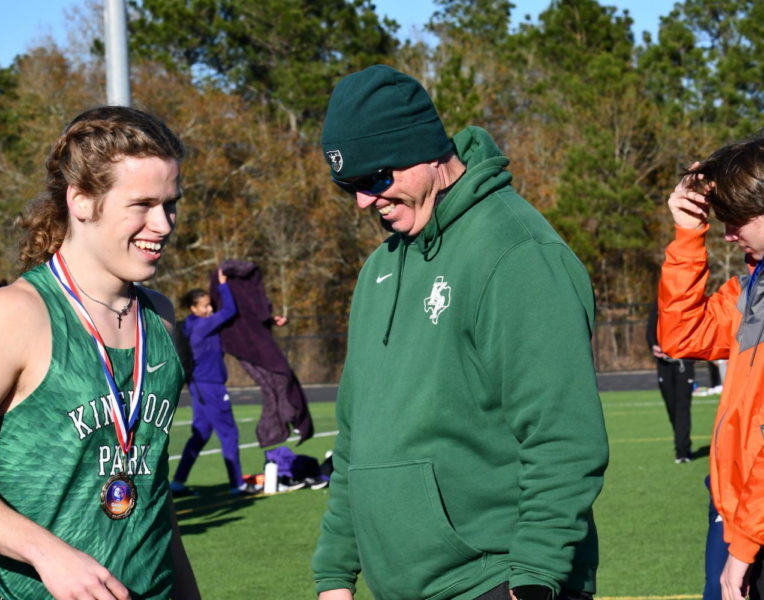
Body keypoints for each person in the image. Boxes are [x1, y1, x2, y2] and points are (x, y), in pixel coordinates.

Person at [312, 64, 609, 600]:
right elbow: (358, 438)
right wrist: (335, 573)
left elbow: (563, 436)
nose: (363, 201)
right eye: (348, 186)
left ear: (426, 151)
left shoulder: (516, 252)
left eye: (375, 178)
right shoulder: (379, 269)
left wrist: (536, 577)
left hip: (498, 580)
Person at [0, 105, 200, 600]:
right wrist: (48, 553)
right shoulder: (15, 314)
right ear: (81, 200)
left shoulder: (160, 317)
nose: (164, 224)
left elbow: (152, 487)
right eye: (142, 204)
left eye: (171, 204)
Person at [657, 136, 764, 600]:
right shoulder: (750, 291)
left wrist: (745, 543)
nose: (727, 233)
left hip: (752, 530)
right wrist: (686, 234)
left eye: (734, 220)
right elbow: (682, 335)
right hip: (733, 516)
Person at [170, 269, 260, 496]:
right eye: (204, 306)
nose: (210, 310)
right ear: (193, 309)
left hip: (199, 386)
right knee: (229, 433)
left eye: (210, 305)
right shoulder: (202, 326)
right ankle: (236, 484)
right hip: (211, 386)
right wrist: (222, 286)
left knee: (200, 434)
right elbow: (229, 310)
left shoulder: (192, 325)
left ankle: (178, 482)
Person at [209, 260, 314, 447]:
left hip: (249, 341)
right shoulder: (223, 297)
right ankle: (285, 421)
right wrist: (223, 285)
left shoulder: (246, 293)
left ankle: (285, 422)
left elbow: (250, 313)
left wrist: (271, 319)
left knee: (279, 380)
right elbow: (231, 311)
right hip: (241, 345)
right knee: (277, 380)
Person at [646, 299, 695, 463]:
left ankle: (682, 450)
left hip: (683, 363)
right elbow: (650, 329)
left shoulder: (689, 303)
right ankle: (682, 442)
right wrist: (654, 345)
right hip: (664, 364)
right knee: (671, 405)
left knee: (683, 406)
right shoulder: (660, 303)